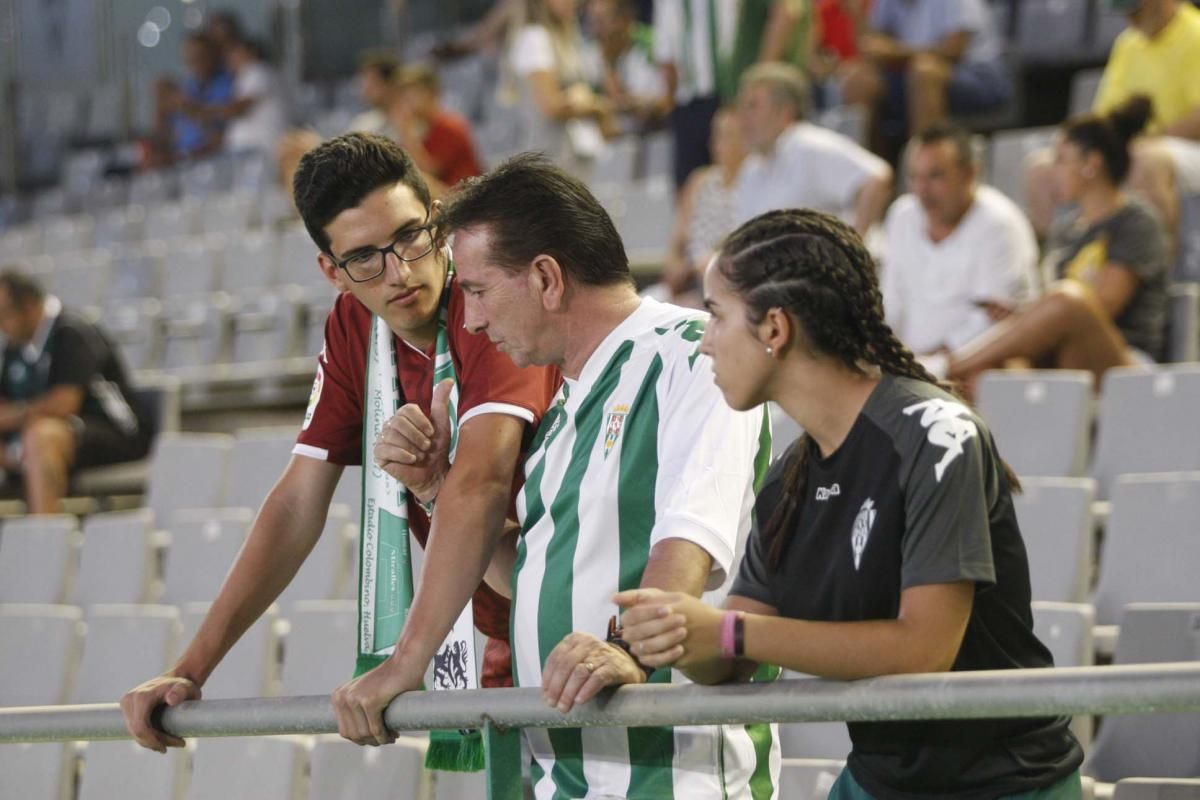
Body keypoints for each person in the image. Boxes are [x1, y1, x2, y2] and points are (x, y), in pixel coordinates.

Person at [615, 207, 1086, 800]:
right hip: (877, 780)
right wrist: (674, 635)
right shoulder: (792, 475)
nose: (705, 342)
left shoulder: (937, 434)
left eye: (716, 315)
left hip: (1011, 786)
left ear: (774, 329)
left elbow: (923, 651)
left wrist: (729, 633)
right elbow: (729, 656)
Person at [120, 133, 560, 753]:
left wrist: (404, 665)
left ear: (437, 218)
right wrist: (190, 669)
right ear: (332, 272)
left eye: (410, 235)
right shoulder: (355, 325)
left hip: (576, 626)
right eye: (364, 259)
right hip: (495, 635)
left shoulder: (487, 294)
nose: (400, 272)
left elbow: (483, 481)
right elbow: (298, 503)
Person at [440, 153, 778, 799]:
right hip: (566, 776)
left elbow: (692, 534)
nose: (474, 321)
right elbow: (536, 576)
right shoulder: (566, 397)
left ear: (546, 277)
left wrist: (626, 645)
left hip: (675, 776)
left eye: (478, 291)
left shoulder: (692, 351)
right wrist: (438, 488)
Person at [946, 96, 1168, 391]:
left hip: (1126, 363)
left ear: (1092, 163)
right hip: (1063, 352)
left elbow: (1099, 307)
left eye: (1062, 159)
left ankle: (952, 364)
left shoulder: (1135, 221)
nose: (1053, 170)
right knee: (987, 376)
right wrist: (1024, 317)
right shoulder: (1066, 229)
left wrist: (1041, 315)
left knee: (1068, 300)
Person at [1028, 0, 1200, 250]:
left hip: (1188, 148)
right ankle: (1061, 266)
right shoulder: (1127, 43)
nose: (1129, 18)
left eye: (1135, 9)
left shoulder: (1196, 33)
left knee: (1147, 160)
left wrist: (1150, 141)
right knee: (1042, 169)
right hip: (1138, 147)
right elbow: (1105, 114)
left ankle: (1155, 273)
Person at [0, 270, 153, 514]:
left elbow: (64, 404)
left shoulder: (72, 332)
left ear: (28, 306)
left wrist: (10, 418)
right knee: (36, 437)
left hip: (113, 431)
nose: (1, 326)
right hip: (49, 436)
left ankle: (45, 538)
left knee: (42, 437)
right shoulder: (14, 348)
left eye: (4, 314)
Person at [881, 124, 1039, 358]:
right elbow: (890, 304)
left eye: (935, 176)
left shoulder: (1000, 223)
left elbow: (993, 325)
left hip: (973, 366)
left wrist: (925, 366)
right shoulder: (902, 215)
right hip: (906, 367)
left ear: (970, 174)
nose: (922, 191)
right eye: (915, 177)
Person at [734, 62, 893, 238]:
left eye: (753, 106)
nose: (743, 118)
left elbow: (876, 177)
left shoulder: (807, 145)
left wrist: (854, 247)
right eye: (742, 107)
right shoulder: (751, 167)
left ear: (785, 112)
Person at [842, 0, 1010, 148]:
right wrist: (857, 15)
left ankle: (924, 168)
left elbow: (954, 49)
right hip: (910, 76)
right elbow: (874, 48)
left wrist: (895, 51)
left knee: (924, 72)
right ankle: (873, 172)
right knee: (859, 79)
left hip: (976, 76)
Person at [644, 106, 746, 307]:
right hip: (690, 280)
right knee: (645, 304)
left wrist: (708, 266)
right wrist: (675, 266)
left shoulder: (754, 183)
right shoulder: (700, 180)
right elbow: (676, 242)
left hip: (728, 281)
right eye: (715, 135)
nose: (715, 144)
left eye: (726, 136)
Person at [508, 0, 615, 170]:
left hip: (572, 154)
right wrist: (598, 109)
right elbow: (551, 106)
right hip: (548, 160)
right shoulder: (534, 38)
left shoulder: (568, 37)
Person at [391, 64, 484, 190]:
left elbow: (429, 173)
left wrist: (406, 131)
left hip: (464, 198)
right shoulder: (422, 129)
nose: (407, 102)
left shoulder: (450, 126)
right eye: (404, 96)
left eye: (413, 94)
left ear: (433, 94)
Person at [150, 32, 235, 164]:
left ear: (212, 55)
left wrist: (191, 110)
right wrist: (160, 110)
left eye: (199, 57)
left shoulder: (227, 85)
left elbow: (223, 137)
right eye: (189, 58)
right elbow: (165, 138)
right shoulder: (189, 86)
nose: (194, 63)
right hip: (182, 162)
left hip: (212, 162)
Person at [584, 0, 668, 127]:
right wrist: (608, 62)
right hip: (619, 138)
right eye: (593, 22)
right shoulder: (594, 51)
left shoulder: (652, 45)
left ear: (624, 19)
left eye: (602, 21)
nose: (597, 30)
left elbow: (667, 102)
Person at [219, 38, 288, 157]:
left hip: (261, 150)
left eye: (235, 52)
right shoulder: (243, 77)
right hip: (250, 153)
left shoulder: (257, 71)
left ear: (252, 52)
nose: (230, 58)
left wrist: (202, 112)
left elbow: (237, 109)